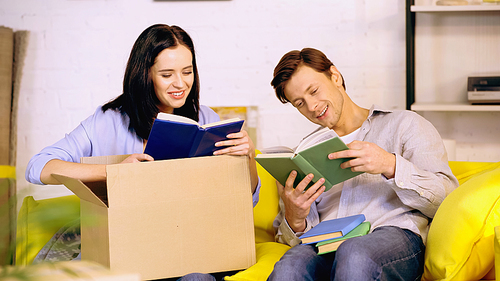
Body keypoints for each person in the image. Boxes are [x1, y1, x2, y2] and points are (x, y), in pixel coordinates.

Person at [25, 24, 260, 281]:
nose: (180, 84)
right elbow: (38, 167)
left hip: (189, 244)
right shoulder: (108, 121)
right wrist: (115, 173)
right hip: (130, 245)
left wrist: (246, 157)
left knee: (197, 279)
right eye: (167, 74)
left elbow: (246, 200)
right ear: (145, 74)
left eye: (187, 72)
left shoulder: (205, 118)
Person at [266, 47, 459, 281]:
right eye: (300, 103)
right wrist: (295, 217)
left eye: (314, 91)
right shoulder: (304, 155)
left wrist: (390, 165)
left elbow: (447, 200)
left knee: (355, 253)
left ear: (335, 76)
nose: (312, 106)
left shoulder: (405, 124)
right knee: (290, 267)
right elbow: (288, 237)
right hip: (326, 242)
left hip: (392, 237)